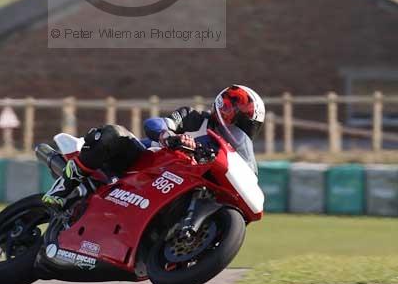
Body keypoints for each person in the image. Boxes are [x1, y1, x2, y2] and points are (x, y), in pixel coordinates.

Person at [42, 84, 265, 209]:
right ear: (224, 110)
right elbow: (155, 123)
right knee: (114, 134)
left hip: (174, 188)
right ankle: (63, 187)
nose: (240, 128)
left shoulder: (240, 158)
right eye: (239, 120)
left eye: (247, 125)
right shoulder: (196, 119)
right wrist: (169, 136)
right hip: (140, 163)